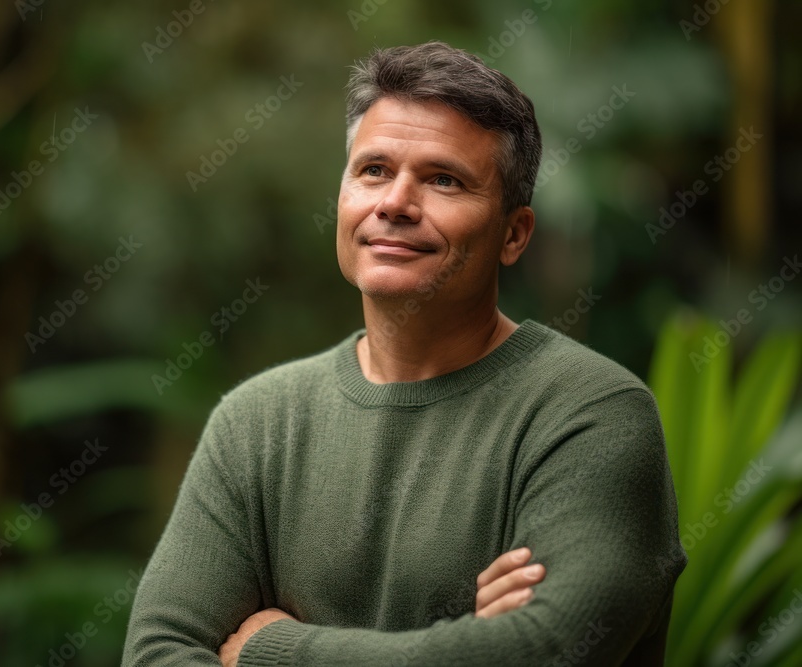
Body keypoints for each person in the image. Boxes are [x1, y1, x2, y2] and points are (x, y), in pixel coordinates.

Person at [123, 41, 686, 666]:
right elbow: (158, 654)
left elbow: (544, 650)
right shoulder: (256, 423)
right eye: (373, 171)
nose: (394, 203)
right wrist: (463, 645)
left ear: (515, 233)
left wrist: (274, 651)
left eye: (444, 180)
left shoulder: (590, 416)